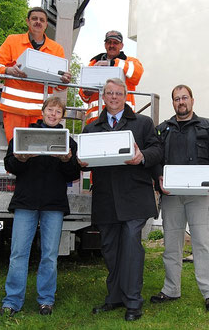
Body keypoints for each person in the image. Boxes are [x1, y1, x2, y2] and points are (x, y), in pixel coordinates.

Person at [79, 78, 163, 321]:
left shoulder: (144, 123)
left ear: (125, 96)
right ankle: (114, 297)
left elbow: (158, 150)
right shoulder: (92, 127)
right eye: (109, 93)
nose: (114, 97)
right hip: (106, 198)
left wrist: (142, 157)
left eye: (118, 93)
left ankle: (133, 302)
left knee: (130, 247)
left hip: (135, 197)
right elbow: (81, 159)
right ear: (103, 97)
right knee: (110, 249)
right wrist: (80, 161)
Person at [0, 96, 80, 316]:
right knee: (18, 254)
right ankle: (12, 301)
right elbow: (10, 165)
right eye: (50, 110)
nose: (53, 114)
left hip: (53, 204)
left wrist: (66, 161)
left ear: (62, 116)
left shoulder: (68, 141)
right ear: (42, 112)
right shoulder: (23, 135)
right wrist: (21, 159)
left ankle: (46, 300)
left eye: (58, 112)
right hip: (26, 202)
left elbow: (73, 174)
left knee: (50, 255)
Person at [150, 84, 209, 312]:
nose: (181, 102)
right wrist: (158, 179)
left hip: (199, 196)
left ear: (192, 100)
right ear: (173, 103)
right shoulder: (163, 129)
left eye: (184, 98)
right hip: (172, 196)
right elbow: (155, 160)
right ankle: (171, 289)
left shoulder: (207, 126)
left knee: (202, 243)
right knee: (172, 245)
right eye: (176, 99)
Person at [0, 7, 72, 143]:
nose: (38, 22)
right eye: (34, 19)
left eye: (42, 20)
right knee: (15, 150)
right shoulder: (12, 41)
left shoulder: (56, 49)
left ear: (46, 24)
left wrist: (64, 81)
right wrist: (8, 71)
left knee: (38, 153)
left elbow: (59, 87)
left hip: (41, 113)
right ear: (27, 22)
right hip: (14, 109)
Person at [79, 30, 144, 125]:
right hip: (96, 122)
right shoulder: (93, 63)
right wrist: (87, 92)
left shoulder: (130, 62)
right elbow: (83, 95)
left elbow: (137, 74)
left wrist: (112, 63)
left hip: (124, 120)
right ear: (105, 45)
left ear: (121, 46)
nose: (112, 45)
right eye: (109, 42)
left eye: (115, 43)